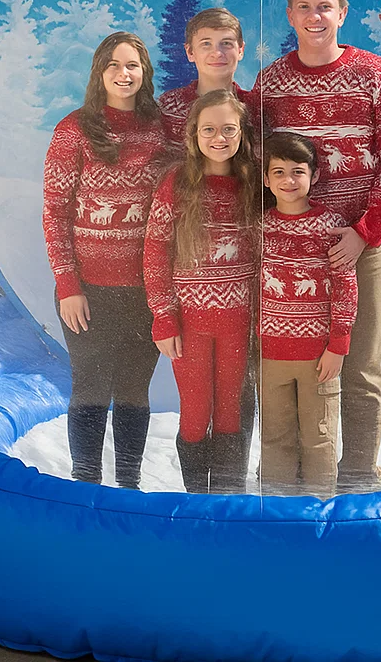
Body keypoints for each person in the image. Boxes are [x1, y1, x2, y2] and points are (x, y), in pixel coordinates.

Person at [254, 0, 381, 493]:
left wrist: (365, 231)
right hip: (286, 255)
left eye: (324, 7)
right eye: (303, 7)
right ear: (290, 16)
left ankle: (360, 474)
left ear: (342, 14)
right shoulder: (273, 82)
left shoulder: (375, 75)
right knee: (296, 370)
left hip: (358, 248)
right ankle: (296, 476)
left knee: (359, 366)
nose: (314, 17)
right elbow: (250, 153)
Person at [42, 32, 168, 489]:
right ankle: (86, 480)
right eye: (113, 65)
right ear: (99, 73)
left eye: (133, 65)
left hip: (145, 289)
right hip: (87, 290)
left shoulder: (162, 130)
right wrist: (68, 284)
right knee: (91, 387)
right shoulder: (74, 129)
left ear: (145, 72)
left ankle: (129, 481)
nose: (124, 73)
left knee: (134, 389)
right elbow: (54, 212)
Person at [143, 89, 259, 494]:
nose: (219, 138)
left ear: (242, 133)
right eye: (209, 129)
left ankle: (225, 502)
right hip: (190, 324)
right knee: (195, 414)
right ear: (193, 134)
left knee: (229, 413)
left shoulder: (253, 182)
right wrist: (163, 315)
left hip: (237, 323)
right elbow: (155, 251)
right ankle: (197, 500)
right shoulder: (176, 182)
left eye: (229, 129)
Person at [259, 132, 357, 499]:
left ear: (314, 176)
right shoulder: (261, 226)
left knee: (318, 435)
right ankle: (277, 507)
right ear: (266, 179)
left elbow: (346, 286)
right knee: (275, 434)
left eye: (297, 172)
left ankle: (319, 507)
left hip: (318, 355)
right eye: (279, 172)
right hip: (270, 354)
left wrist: (339, 344)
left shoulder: (330, 226)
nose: (288, 180)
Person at [157, 7, 258, 145]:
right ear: (190, 52)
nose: (217, 53)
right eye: (206, 44)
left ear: (241, 50)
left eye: (226, 43)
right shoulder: (167, 108)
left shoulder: (256, 109)